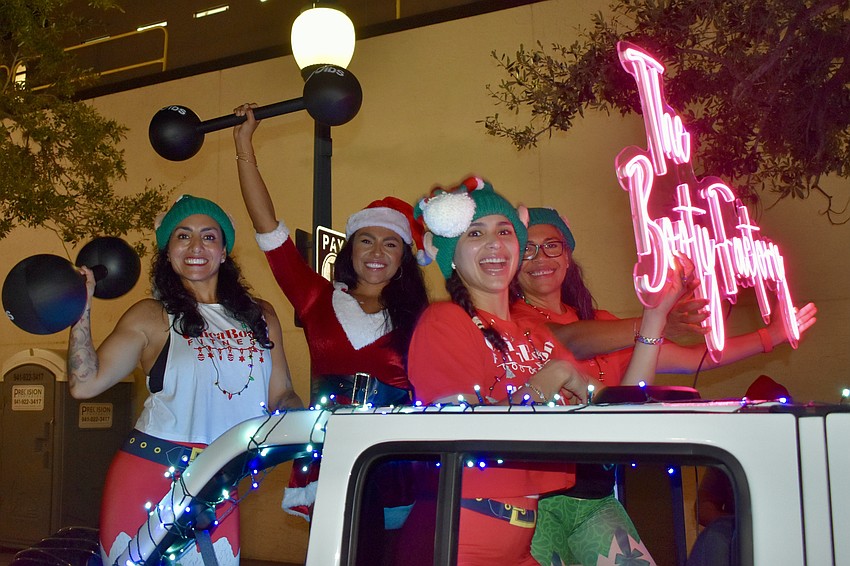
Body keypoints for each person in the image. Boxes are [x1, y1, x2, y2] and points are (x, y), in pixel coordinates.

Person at [512, 206, 818, 566]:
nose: (540, 258)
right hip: (536, 500)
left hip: (597, 496)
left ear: (568, 255)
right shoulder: (516, 321)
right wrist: (654, 321)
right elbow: (570, 341)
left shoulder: (604, 323)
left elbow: (693, 359)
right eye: (527, 249)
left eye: (552, 245)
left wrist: (772, 335)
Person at [407, 177, 687, 565]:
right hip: (463, 533)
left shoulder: (534, 336)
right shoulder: (444, 322)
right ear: (452, 255)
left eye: (504, 231)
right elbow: (464, 437)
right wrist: (545, 383)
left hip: (522, 539)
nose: (494, 243)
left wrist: (655, 314)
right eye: (476, 233)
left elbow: (612, 414)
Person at [67, 194, 303, 565]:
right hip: (150, 472)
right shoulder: (151, 315)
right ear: (168, 251)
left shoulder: (261, 315)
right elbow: (85, 384)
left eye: (209, 237)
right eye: (183, 236)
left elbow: (282, 393)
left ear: (224, 251)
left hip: (220, 477)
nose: (196, 246)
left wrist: (303, 421)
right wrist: (80, 310)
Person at [232, 104, 430, 523]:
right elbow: (268, 229)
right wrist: (243, 144)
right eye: (366, 241)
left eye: (390, 244)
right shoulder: (315, 297)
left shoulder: (423, 318)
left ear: (403, 259)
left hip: (397, 458)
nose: (377, 253)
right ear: (349, 249)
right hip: (329, 452)